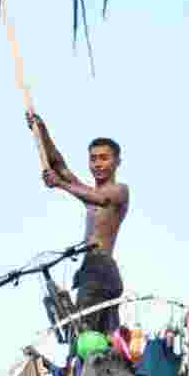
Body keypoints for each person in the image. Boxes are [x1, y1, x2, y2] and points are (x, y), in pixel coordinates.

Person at [27, 112, 129, 336]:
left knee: (82, 333)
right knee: (100, 337)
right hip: (92, 268)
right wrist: (42, 132)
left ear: (117, 162)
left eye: (104, 158)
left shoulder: (119, 191)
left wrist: (60, 184)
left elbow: (100, 199)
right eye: (93, 159)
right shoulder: (89, 193)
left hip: (101, 268)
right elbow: (58, 165)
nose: (98, 164)